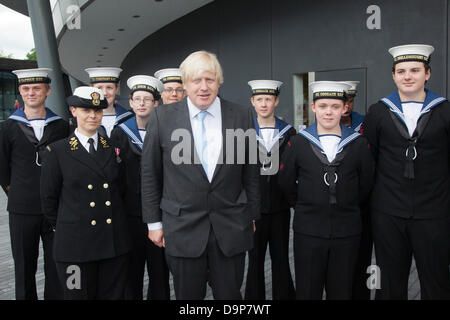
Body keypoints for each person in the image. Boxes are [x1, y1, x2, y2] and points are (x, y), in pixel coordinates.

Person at [141, 50, 260, 300]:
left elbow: (251, 170)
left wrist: (252, 214)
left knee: (230, 297)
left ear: (219, 81)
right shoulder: (162, 118)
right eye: (196, 80)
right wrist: (154, 223)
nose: (204, 87)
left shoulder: (241, 115)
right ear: (185, 84)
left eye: (210, 79)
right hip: (182, 227)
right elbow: (150, 174)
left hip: (230, 227)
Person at [362, 44, 450, 300]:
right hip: (389, 212)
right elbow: (370, 161)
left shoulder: (445, 111)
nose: (408, 76)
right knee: (389, 284)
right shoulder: (378, 112)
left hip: (434, 212)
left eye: (414, 70)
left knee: (437, 282)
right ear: (393, 75)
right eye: (401, 71)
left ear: (428, 73)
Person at [279, 81, 374, 299]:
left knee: (341, 291)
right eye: (323, 106)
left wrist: (347, 203)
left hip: (346, 231)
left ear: (344, 108)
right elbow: (285, 182)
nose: (328, 111)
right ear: (313, 108)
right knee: (308, 291)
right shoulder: (298, 143)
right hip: (308, 230)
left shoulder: (358, 144)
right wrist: (305, 204)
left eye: (334, 106)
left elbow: (366, 183)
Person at [40, 86, 131, 300]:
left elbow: (122, 191)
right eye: (85, 110)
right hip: (74, 247)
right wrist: (69, 225)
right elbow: (48, 201)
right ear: (73, 111)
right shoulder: (57, 151)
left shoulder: (113, 147)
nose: (92, 115)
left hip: (112, 244)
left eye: (97, 111)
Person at [0, 68, 69, 300]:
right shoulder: (7, 127)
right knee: (23, 266)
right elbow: (2, 169)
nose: (31, 93)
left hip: (54, 208)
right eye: (26, 88)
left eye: (37, 88)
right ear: (20, 91)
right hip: (22, 209)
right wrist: (18, 192)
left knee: (56, 265)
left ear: (47, 91)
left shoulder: (60, 126)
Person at [110, 75, 171, 300]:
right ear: (132, 103)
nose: (142, 103)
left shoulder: (167, 132)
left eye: (148, 99)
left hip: (160, 211)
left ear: (157, 103)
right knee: (131, 270)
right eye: (137, 99)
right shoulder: (120, 133)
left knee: (160, 271)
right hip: (131, 213)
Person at [244, 80, 296, 300]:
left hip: (280, 208)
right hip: (253, 210)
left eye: (268, 99)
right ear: (252, 102)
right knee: (254, 260)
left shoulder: (289, 132)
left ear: (276, 101)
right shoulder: (244, 132)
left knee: (281, 257)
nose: (264, 104)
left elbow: (293, 171)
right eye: (259, 100)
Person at [339, 81, 373, 300]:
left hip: (362, 202)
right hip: (338, 203)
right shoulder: (324, 125)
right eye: (344, 101)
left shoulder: (365, 124)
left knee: (362, 254)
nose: (347, 106)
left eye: (350, 101)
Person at [85, 67, 133, 137]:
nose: (104, 93)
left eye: (109, 88)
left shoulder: (129, 118)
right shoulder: (83, 119)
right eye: (99, 88)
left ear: (116, 89)